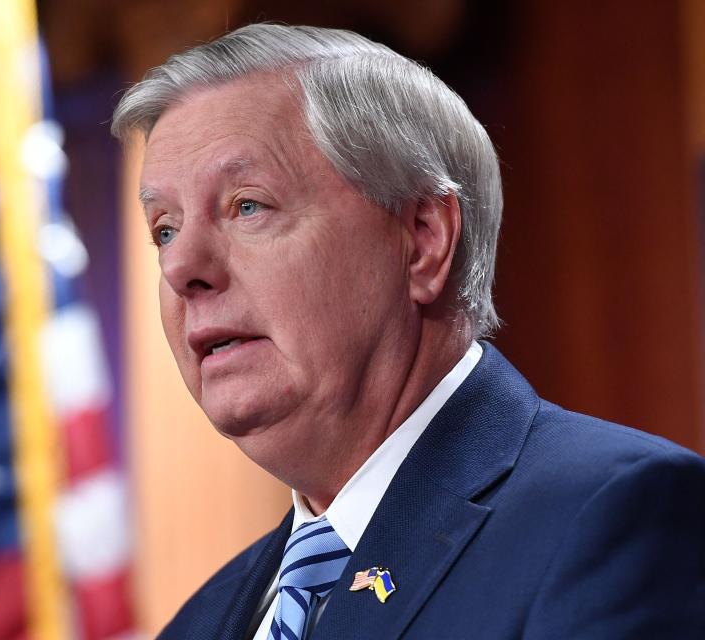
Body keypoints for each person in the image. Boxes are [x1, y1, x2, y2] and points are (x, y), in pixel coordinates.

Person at [111, 23, 705, 640]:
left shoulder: (609, 517)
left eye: (248, 205)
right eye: (165, 230)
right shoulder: (199, 621)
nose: (181, 269)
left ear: (422, 240)